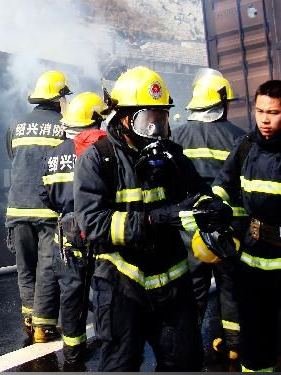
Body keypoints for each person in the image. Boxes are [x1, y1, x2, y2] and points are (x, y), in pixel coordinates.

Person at [73, 66, 232, 371]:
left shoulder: (171, 153)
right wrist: (152, 221)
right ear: (124, 118)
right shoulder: (98, 159)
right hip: (123, 283)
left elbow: (195, 190)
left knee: (184, 363)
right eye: (149, 120)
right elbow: (93, 225)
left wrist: (211, 207)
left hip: (172, 283)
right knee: (122, 364)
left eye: (162, 118)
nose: (157, 128)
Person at [170, 68, 246, 361]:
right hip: (231, 228)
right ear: (222, 102)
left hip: (190, 231)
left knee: (192, 291)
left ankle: (187, 348)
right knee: (231, 287)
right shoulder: (241, 138)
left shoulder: (177, 137)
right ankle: (235, 344)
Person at [212, 80, 281, 372]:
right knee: (255, 343)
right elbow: (223, 186)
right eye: (260, 110)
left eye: (275, 112)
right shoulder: (246, 147)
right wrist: (212, 208)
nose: (265, 119)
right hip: (254, 260)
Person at [39, 92, 107, 364]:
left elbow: (44, 195)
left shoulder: (53, 155)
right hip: (101, 228)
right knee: (104, 288)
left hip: (67, 232)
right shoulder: (104, 150)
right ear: (94, 120)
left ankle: (72, 351)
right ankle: (109, 342)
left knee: (72, 292)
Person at [5, 70, 72, 342]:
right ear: (58, 98)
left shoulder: (16, 124)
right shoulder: (65, 125)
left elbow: (12, 155)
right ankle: (43, 326)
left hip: (17, 208)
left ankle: (29, 318)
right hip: (49, 209)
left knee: (25, 265)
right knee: (47, 266)